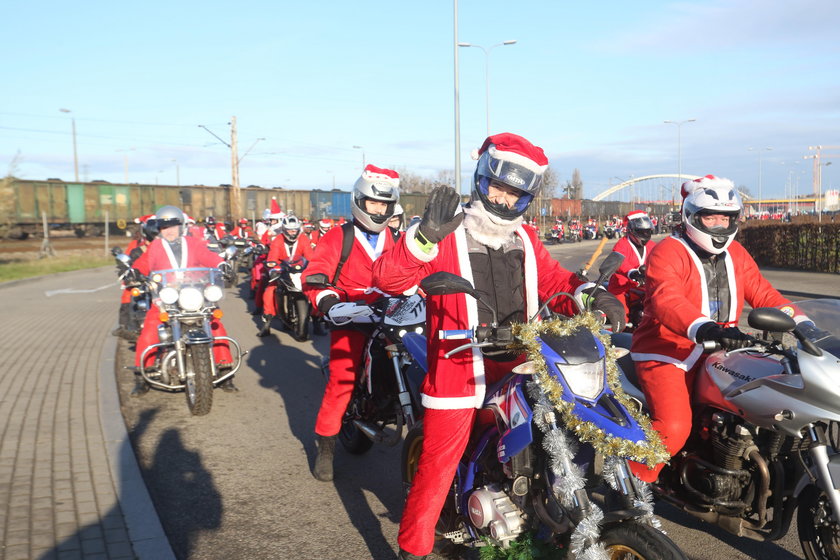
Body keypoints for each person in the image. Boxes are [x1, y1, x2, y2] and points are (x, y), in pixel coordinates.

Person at [370, 133, 626, 560]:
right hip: (458, 366)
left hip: (522, 363)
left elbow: (554, 283)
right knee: (438, 464)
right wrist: (423, 238)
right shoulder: (442, 228)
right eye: (497, 187)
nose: (503, 200)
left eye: (515, 193)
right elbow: (389, 280)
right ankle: (412, 548)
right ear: (481, 179)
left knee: (557, 436)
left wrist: (590, 292)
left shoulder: (523, 238)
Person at [627, 175, 809, 483]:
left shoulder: (736, 253)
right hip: (667, 351)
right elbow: (665, 298)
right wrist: (704, 328)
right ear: (691, 216)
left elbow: (763, 293)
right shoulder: (668, 250)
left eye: (726, 218)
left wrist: (805, 324)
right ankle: (630, 489)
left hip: (725, 350)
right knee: (673, 427)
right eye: (710, 216)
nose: (718, 225)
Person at [302, 164, 402, 482]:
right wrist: (330, 302)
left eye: (384, 205)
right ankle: (326, 447)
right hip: (350, 317)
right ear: (360, 201)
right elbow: (316, 274)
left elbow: (415, 272)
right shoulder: (339, 237)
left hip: (391, 315)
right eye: (373, 203)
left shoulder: (397, 238)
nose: (378, 209)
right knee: (342, 380)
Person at [131, 205, 238, 396]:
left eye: (173, 225)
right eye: (165, 227)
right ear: (159, 229)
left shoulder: (193, 243)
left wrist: (222, 264)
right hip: (167, 298)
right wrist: (135, 271)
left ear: (181, 226)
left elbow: (208, 256)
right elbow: (145, 262)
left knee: (215, 324)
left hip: (194, 294)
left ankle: (225, 370)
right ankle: (142, 375)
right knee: (150, 327)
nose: (169, 230)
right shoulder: (156, 246)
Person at [258, 215, 314, 337]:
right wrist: (273, 268)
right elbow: (272, 257)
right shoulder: (278, 240)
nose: (292, 233)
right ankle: (266, 323)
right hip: (282, 271)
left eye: (295, 230)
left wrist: (314, 266)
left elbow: (310, 256)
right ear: (284, 229)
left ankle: (318, 320)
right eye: (290, 230)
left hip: (299, 271)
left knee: (315, 289)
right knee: (269, 291)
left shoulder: (304, 239)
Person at [607, 210, 656, 329]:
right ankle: (621, 335)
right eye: (641, 232)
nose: (645, 235)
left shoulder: (652, 245)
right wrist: (632, 273)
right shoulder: (622, 244)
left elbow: (661, 260)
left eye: (647, 231)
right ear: (632, 230)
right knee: (621, 316)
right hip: (622, 287)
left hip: (645, 285)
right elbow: (620, 261)